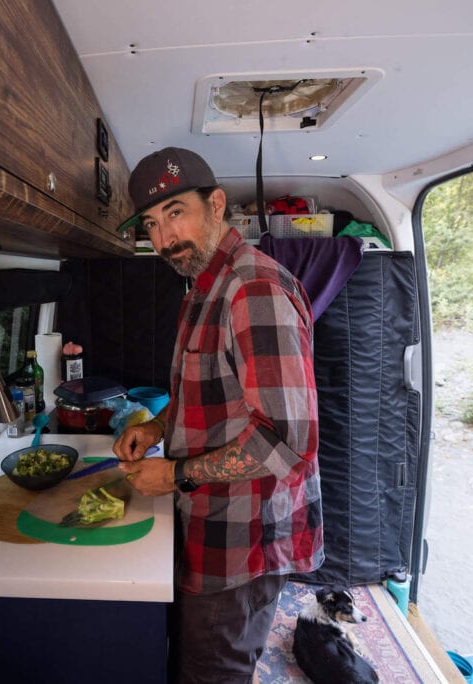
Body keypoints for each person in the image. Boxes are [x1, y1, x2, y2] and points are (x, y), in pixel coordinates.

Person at [112, 147, 323, 683]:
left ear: (217, 205)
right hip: (217, 525)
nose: (163, 240)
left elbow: (287, 440)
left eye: (176, 213)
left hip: (242, 537)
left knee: (212, 671)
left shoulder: (252, 289)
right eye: (151, 225)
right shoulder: (204, 287)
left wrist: (176, 474)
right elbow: (212, 396)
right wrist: (156, 427)